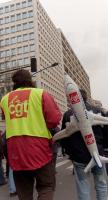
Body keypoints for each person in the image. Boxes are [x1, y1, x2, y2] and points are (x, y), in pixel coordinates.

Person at [0, 69, 61, 200]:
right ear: (30, 80)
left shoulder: (4, 99)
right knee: (46, 186)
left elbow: (6, 118)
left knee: (24, 192)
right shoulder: (41, 94)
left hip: (15, 151)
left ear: (14, 83)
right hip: (39, 149)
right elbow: (54, 120)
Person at [61, 89, 108, 200]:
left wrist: (71, 153)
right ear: (86, 97)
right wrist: (104, 147)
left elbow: (64, 137)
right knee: (101, 185)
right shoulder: (98, 111)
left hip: (79, 157)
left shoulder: (68, 115)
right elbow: (107, 132)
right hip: (98, 154)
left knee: (83, 189)